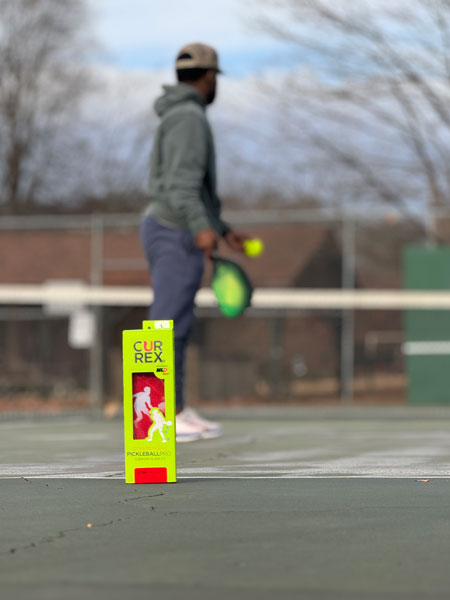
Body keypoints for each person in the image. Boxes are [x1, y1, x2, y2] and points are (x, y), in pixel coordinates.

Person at [140, 42, 247, 442]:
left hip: (174, 226)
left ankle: (175, 408)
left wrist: (219, 226)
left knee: (175, 324)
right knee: (165, 325)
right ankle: (158, 419)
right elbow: (183, 188)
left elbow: (188, 189)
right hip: (174, 230)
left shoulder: (181, 114)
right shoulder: (189, 118)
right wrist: (202, 228)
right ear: (209, 77)